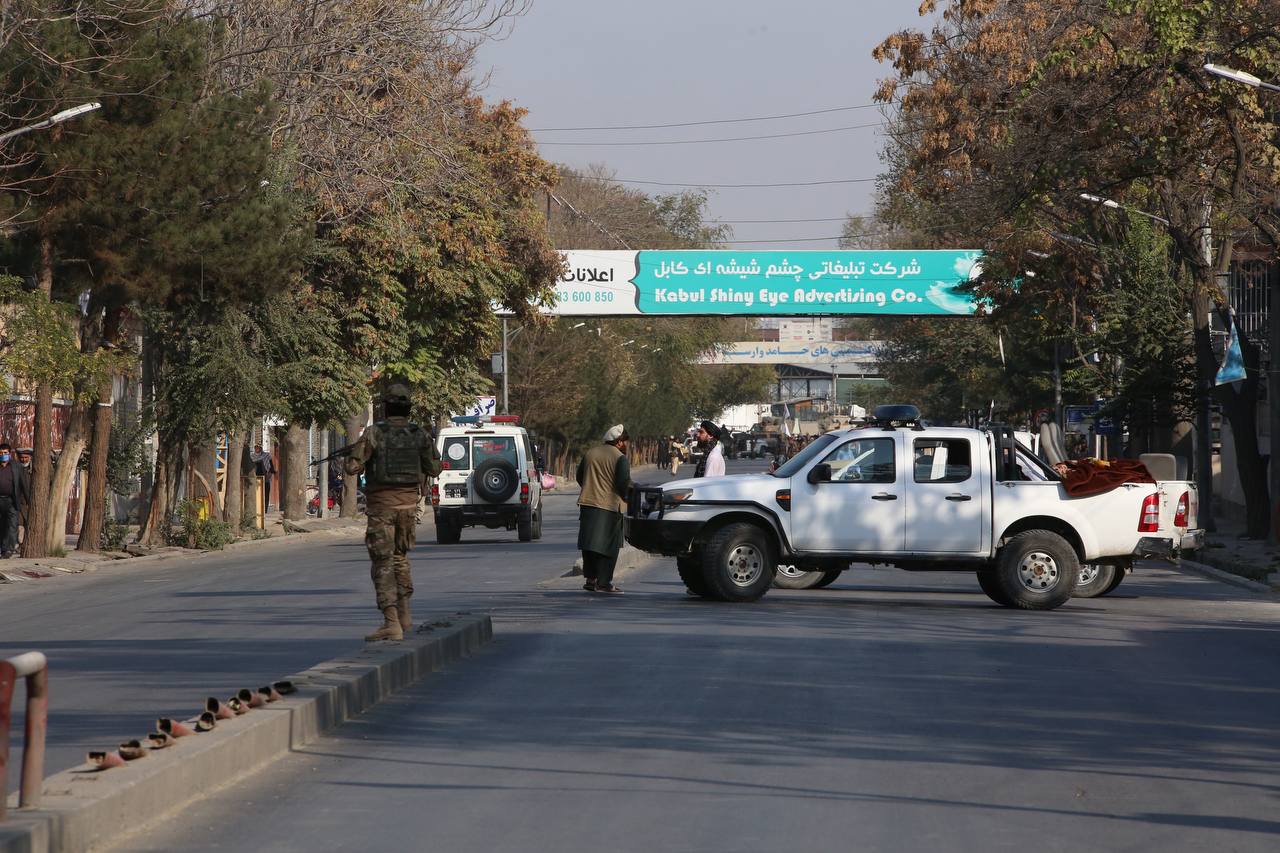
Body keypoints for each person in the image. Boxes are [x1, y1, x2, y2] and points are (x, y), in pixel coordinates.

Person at [344, 382, 442, 641]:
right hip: (408, 508)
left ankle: (391, 622)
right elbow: (435, 468)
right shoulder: (419, 435)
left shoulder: (375, 433)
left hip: (382, 508)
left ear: (386, 407)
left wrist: (353, 455)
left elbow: (353, 468)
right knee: (400, 558)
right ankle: (405, 615)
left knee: (382, 562)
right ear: (408, 408)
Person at [576, 424, 632, 594]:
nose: (627, 445)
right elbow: (623, 484)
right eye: (626, 442)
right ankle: (603, 583)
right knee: (609, 546)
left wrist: (591, 488)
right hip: (609, 507)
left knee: (590, 545)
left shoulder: (591, 453)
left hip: (587, 504)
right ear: (619, 442)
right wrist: (629, 497)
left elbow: (579, 477)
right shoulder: (620, 458)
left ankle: (590, 580)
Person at [0, 442, 30, 558]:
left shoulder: (16, 466)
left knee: (12, 525)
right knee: (2, 526)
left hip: (11, 501)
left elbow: (23, 484)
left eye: (5, 453)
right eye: (1, 453)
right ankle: (3, 548)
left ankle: (9, 550)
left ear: (9, 454)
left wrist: (28, 500)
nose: (3, 455)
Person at [251, 443, 275, 512]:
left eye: (259, 447)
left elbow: (271, 466)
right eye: (256, 447)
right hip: (255, 478)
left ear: (261, 448)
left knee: (266, 493)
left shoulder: (266, 455)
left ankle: (265, 509)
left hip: (266, 477)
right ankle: (257, 509)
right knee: (257, 493)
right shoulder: (252, 456)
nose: (257, 448)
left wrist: (270, 473)